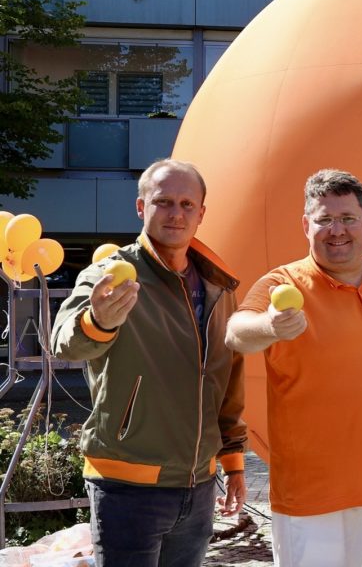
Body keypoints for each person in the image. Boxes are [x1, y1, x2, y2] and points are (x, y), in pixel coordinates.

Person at [225, 169, 362, 567]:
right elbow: (236, 333)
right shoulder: (283, 282)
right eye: (324, 220)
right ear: (306, 225)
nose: (336, 230)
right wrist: (271, 326)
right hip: (313, 498)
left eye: (347, 218)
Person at [51, 159, 247, 567]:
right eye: (163, 202)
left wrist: (233, 461)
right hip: (127, 487)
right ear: (141, 207)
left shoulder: (218, 285)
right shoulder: (112, 275)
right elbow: (64, 343)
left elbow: (228, 378)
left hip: (199, 486)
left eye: (186, 204)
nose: (176, 213)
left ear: (201, 213)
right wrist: (98, 321)